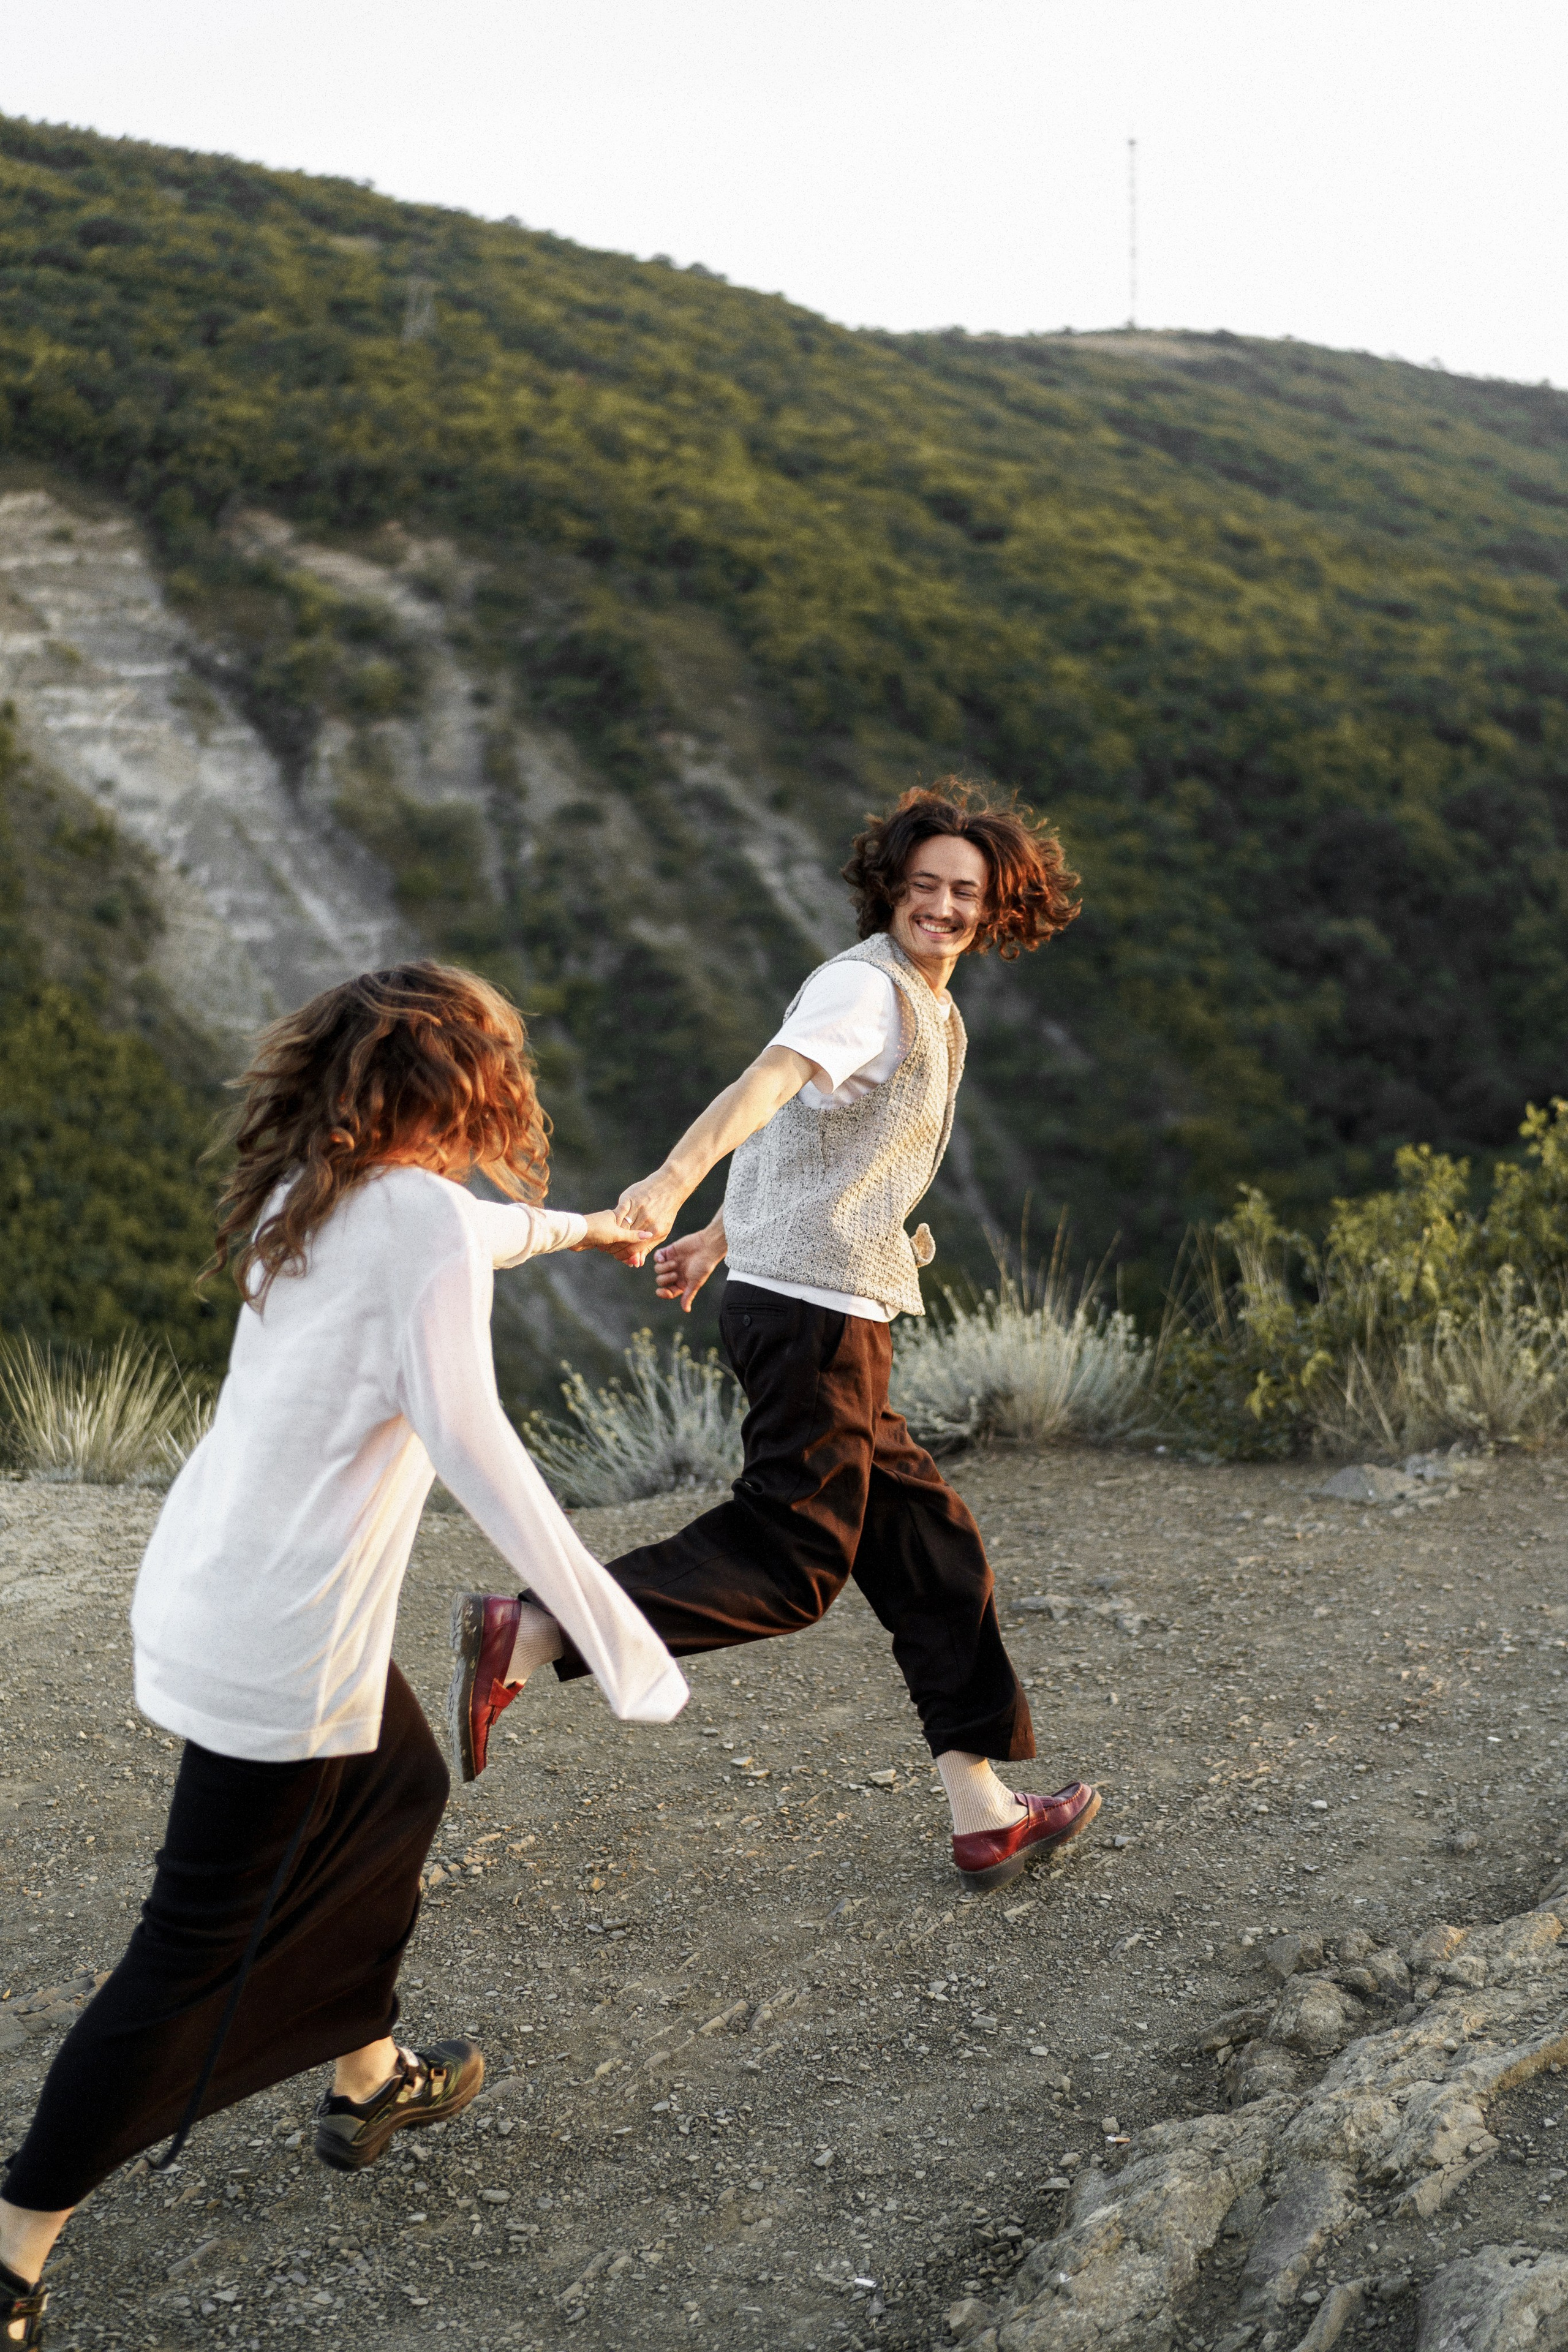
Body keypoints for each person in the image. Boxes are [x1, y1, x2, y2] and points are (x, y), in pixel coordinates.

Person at [0, 963, 684, 2349]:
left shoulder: (310, 1190)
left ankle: (368, 2078)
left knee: (400, 1793)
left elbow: (466, 1237)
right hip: (285, 1642)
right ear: (466, 1090)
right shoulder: (414, 1219)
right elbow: (476, 1445)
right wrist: (618, 1640)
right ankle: (13, 2251)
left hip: (215, 1589)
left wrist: (583, 1232)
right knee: (183, 1953)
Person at [448, 782, 1101, 1896]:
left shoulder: (928, 1005)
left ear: (995, 910)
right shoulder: (864, 990)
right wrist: (669, 1182)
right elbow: (771, 1086)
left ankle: (983, 1812)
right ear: (891, 887)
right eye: (925, 885)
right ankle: (545, 1630)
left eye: (966, 893)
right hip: (816, 1315)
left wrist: (713, 1239)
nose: (942, 906)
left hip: (818, 1296)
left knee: (929, 1548)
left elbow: (812, 1146)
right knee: (796, 1561)